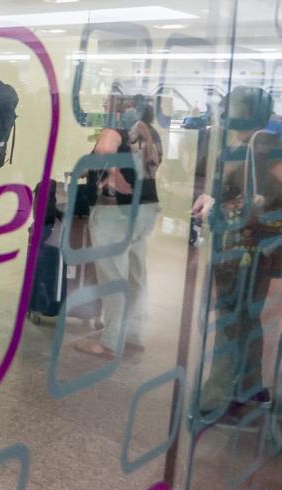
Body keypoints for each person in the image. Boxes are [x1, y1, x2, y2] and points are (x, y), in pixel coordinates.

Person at [192, 86, 282, 422]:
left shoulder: (265, 144)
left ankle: (217, 397)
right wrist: (212, 200)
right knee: (243, 317)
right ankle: (251, 387)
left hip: (248, 248)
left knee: (230, 320)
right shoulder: (244, 145)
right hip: (243, 245)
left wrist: (252, 210)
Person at [70, 96, 163, 359]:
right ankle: (132, 335)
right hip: (145, 208)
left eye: (107, 103)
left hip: (114, 211)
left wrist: (112, 172)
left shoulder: (116, 130)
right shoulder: (152, 132)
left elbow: (100, 154)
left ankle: (110, 342)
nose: (103, 107)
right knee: (136, 275)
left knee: (112, 276)